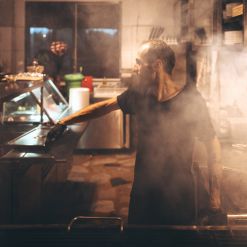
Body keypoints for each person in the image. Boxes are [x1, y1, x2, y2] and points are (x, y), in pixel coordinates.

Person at [56, 40, 222, 225]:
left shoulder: (190, 101)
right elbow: (103, 107)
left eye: (138, 62)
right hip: (143, 191)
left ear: (156, 65)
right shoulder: (140, 94)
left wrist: (215, 196)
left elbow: (212, 144)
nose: (135, 67)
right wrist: (64, 121)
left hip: (179, 195)